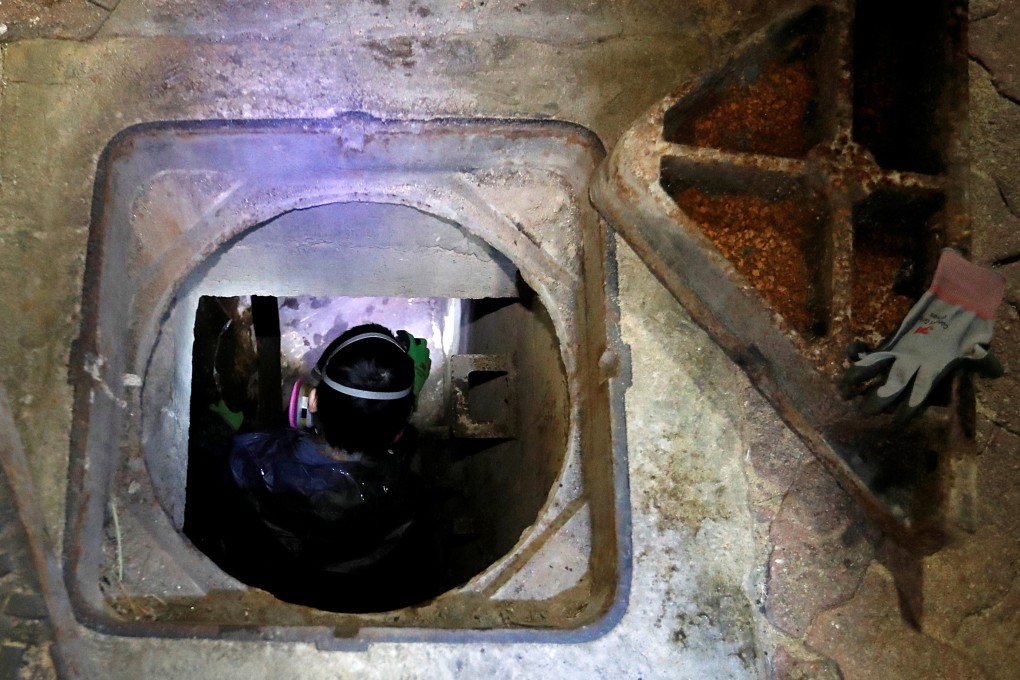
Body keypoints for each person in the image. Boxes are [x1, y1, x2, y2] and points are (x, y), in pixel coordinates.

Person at [219, 322, 438, 611]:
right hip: (357, 590)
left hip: (278, 576)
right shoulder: (408, 495)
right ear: (398, 432)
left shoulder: (251, 457)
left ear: (312, 400)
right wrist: (401, 402)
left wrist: (224, 430)